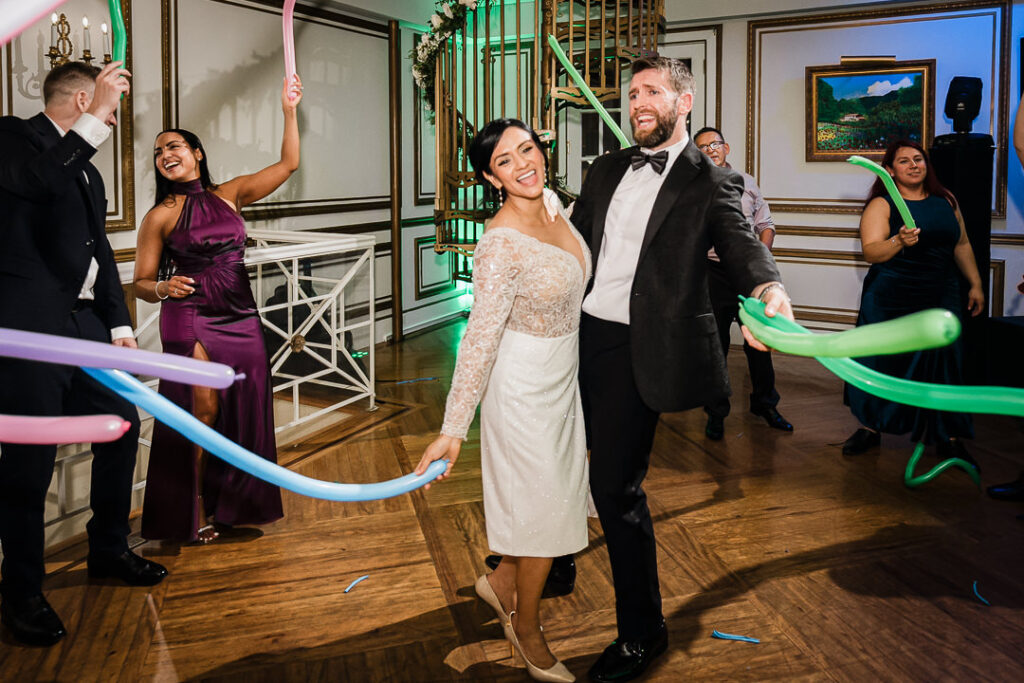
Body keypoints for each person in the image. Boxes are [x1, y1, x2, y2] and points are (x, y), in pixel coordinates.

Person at [570, 57, 791, 682]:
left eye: (652, 91)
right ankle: (552, 558)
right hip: (576, 335)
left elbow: (742, 241)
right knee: (560, 454)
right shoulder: (605, 167)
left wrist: (769, 289)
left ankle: (643, 631)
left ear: (683, 101)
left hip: (639, 348)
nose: (638, 101)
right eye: (631, 92)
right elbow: (577, 243)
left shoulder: (710, 179)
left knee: (615, 487)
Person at [415, 118, 590, 682]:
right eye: (507, 162)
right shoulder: (498, 244)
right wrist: (453, 428)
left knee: (557, 499)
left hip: (564, 380)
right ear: (491, 178)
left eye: (529, 150)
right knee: (542, 515)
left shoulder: (555, 207)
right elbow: (478, 340)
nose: (524, 165)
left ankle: (501, 583)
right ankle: (526, 627)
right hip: (520, 389)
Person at [0, 61, 167, 647]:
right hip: (30, 331)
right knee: (28, 465)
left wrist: (120, 323)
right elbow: (37, 182)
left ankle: (109, 548)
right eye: (107, 108)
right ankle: (20, 591)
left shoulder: (90, 174)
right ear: (80, 96)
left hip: (91, 326)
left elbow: (100, 250)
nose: (114, 121)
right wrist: (96, 114)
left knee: (121, 430)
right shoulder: (11, 138)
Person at [133, 76, 303, 543]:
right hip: (190, 317)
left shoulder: (230, 195)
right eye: (158, 152)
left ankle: (235, 506)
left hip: (241, 317)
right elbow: (140, 284)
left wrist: (289, 109)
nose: (166, 154)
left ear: (196, 153)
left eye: (175, 146)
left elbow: (289, 163)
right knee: (200, 409)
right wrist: (164, 286)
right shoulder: (161, 214)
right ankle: (189, 514)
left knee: (244, 410)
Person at [842, 139, 984, 462]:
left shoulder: (946, 200)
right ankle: (870, 428)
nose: (913, 165)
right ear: (890, 170)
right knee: (881, 360)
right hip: (891, 295)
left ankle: (948, 436)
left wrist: (975, 284)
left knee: (946, 361)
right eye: (904, 161)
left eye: (918, 159)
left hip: (940, 293)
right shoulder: (882, 204)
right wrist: (898, 240)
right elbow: (871, 252)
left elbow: (961, 244)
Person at [694, 126, 793, 440]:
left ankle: (765, 404)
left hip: (746, 274)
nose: (710, 149)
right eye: (702, 147)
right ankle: (716, 413)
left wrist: (759, 261)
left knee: (760, 342)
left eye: (715, 144)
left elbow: (766, 224)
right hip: (712, 273)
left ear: (727, 147)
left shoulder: (746, 181)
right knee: (716, 346)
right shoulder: (693, 186)